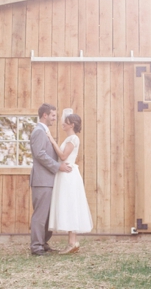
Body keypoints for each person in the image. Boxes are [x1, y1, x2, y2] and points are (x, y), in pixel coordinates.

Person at [47, 109, 93, 254]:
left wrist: (51, 139)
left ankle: (72, 242)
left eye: (66, 122)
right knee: (67, 205)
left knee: (70, 204)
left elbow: (63, 155)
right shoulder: (69, 139)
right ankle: (72, 242)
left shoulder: (73, 139)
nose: (63, 124)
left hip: (68, 175)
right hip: (64, 174)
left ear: (72, 124)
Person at [29, 103, 72, 256]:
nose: (55, 118)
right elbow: (40, 154)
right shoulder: (39, 132)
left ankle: (43, 243)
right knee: (40, 216)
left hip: (48, 180)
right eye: (53, 115)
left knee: (47, 215)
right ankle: (36, 247)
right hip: (41, 181)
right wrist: (58, 167)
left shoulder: (44, 131)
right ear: (45, 115)